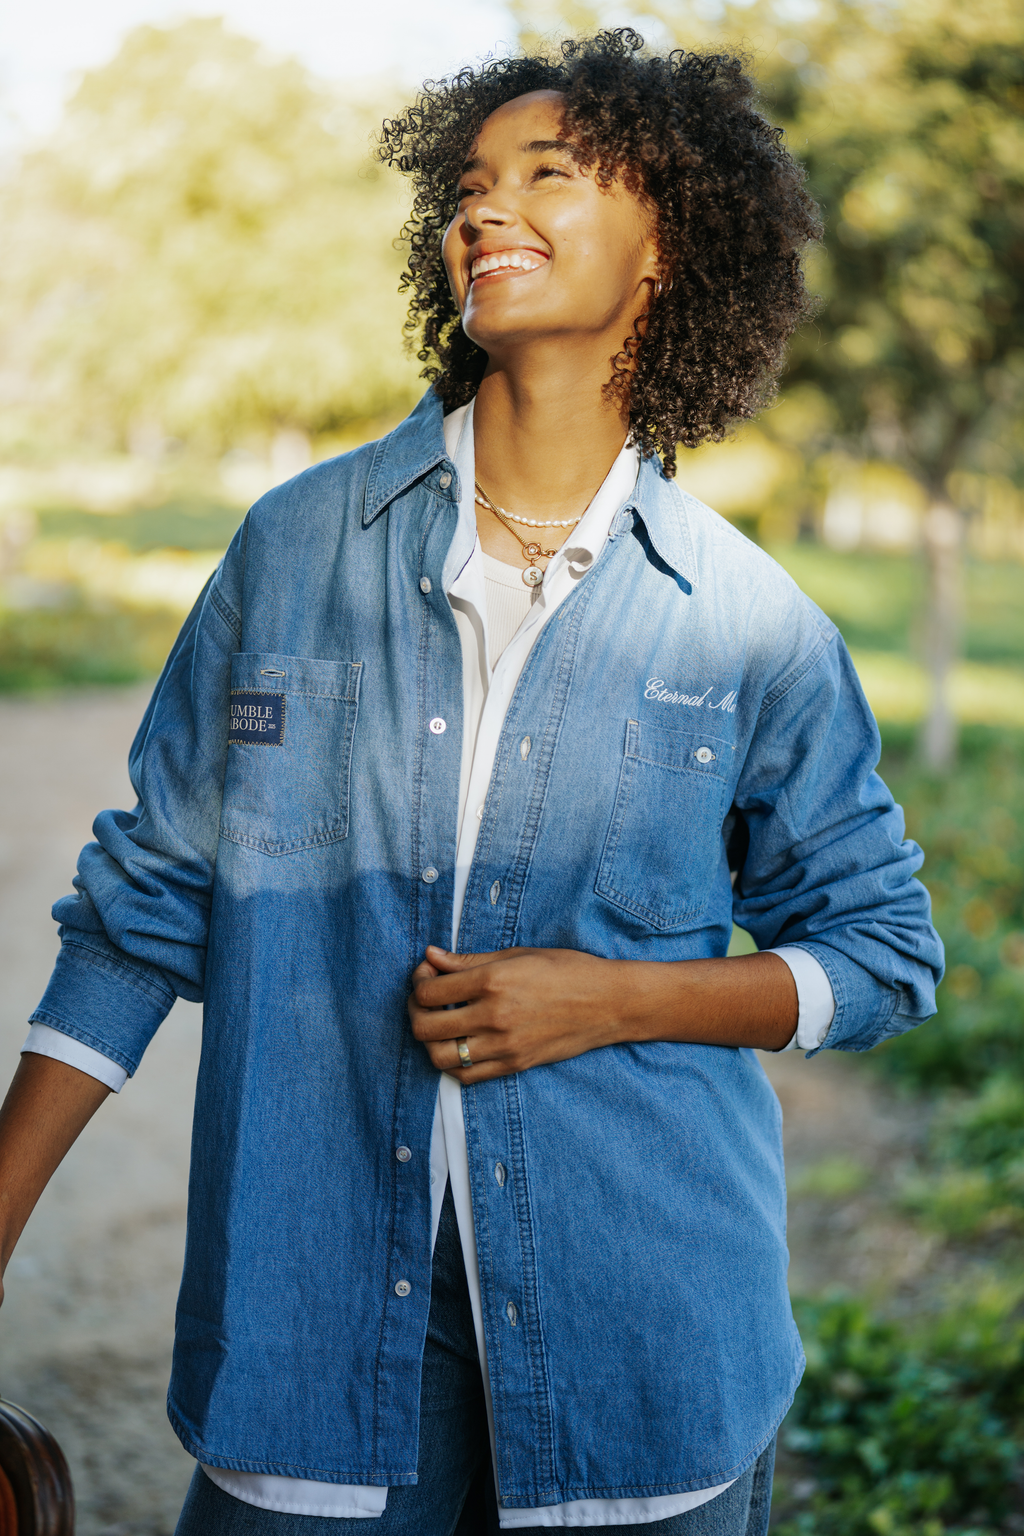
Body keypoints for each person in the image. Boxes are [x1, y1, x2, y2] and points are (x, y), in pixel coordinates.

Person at [0, 28, 943, 1536]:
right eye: (467, 183)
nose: (483, 208)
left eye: (548, 174)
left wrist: (617, 995)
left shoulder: (752, 623)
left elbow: (887, 956)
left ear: (668, 248)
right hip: (305, 1332)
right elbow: (141, 912)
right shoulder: (293, 553)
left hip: (646, 1347)